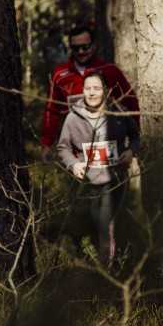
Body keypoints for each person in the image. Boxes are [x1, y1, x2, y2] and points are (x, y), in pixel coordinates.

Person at [56, 70, 140, 267]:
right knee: (85, 226)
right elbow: (63, 147)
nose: (92, 93)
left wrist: (130, 152)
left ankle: (107, 271)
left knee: (105, 224)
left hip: (115, 180)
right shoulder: (73, 117)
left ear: (107, 90)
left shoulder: (119, 112)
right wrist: (74, 164)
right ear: (82, 91)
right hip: (85, 184)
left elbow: (136, 137)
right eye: (87, 89)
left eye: (97, 88)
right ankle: (94, 265)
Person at [40, 22, 139, 163]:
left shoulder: (110, 70)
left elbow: (131, 104)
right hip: (76, 153)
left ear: (94, 45)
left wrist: (136, 143)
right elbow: (51, 110)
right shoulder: (60, 74)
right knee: (80, 184)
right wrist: (46, 143)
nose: (80, 51)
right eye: (75, 48)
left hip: (111, 153)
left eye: (85, 46)